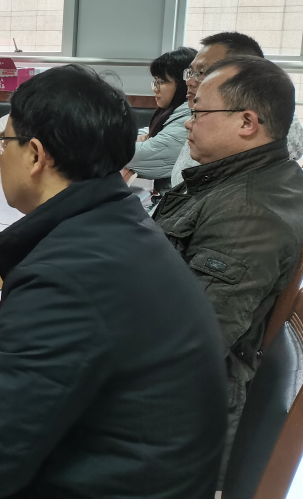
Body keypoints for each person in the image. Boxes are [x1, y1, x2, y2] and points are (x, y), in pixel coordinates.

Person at [0, 66, 226, 499]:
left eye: (5, 143)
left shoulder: (65, 277)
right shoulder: (120, 222)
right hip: (143, 464)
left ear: (35, 155)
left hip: (119, 484)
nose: (2, 157)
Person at [154, 55, 303, 480]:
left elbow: (187, 346)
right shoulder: (252, 178)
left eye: (199, 112)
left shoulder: (248, 214)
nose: (188, 122)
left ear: (246, 122)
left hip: (176, 419)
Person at [170, 31, 303, 186]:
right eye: (191, 72)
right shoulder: (212, 116)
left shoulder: (269, 132)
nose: (189, 81)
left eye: (202, 72)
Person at [124, 46, 196, 198]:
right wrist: (143, 137)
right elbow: (151, 131)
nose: (155, 89)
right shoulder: (177, 109)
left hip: (178, 202)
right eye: (155, 81)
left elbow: (140, 155)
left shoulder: (189, 116)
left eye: (161, 82)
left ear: (183, 83)